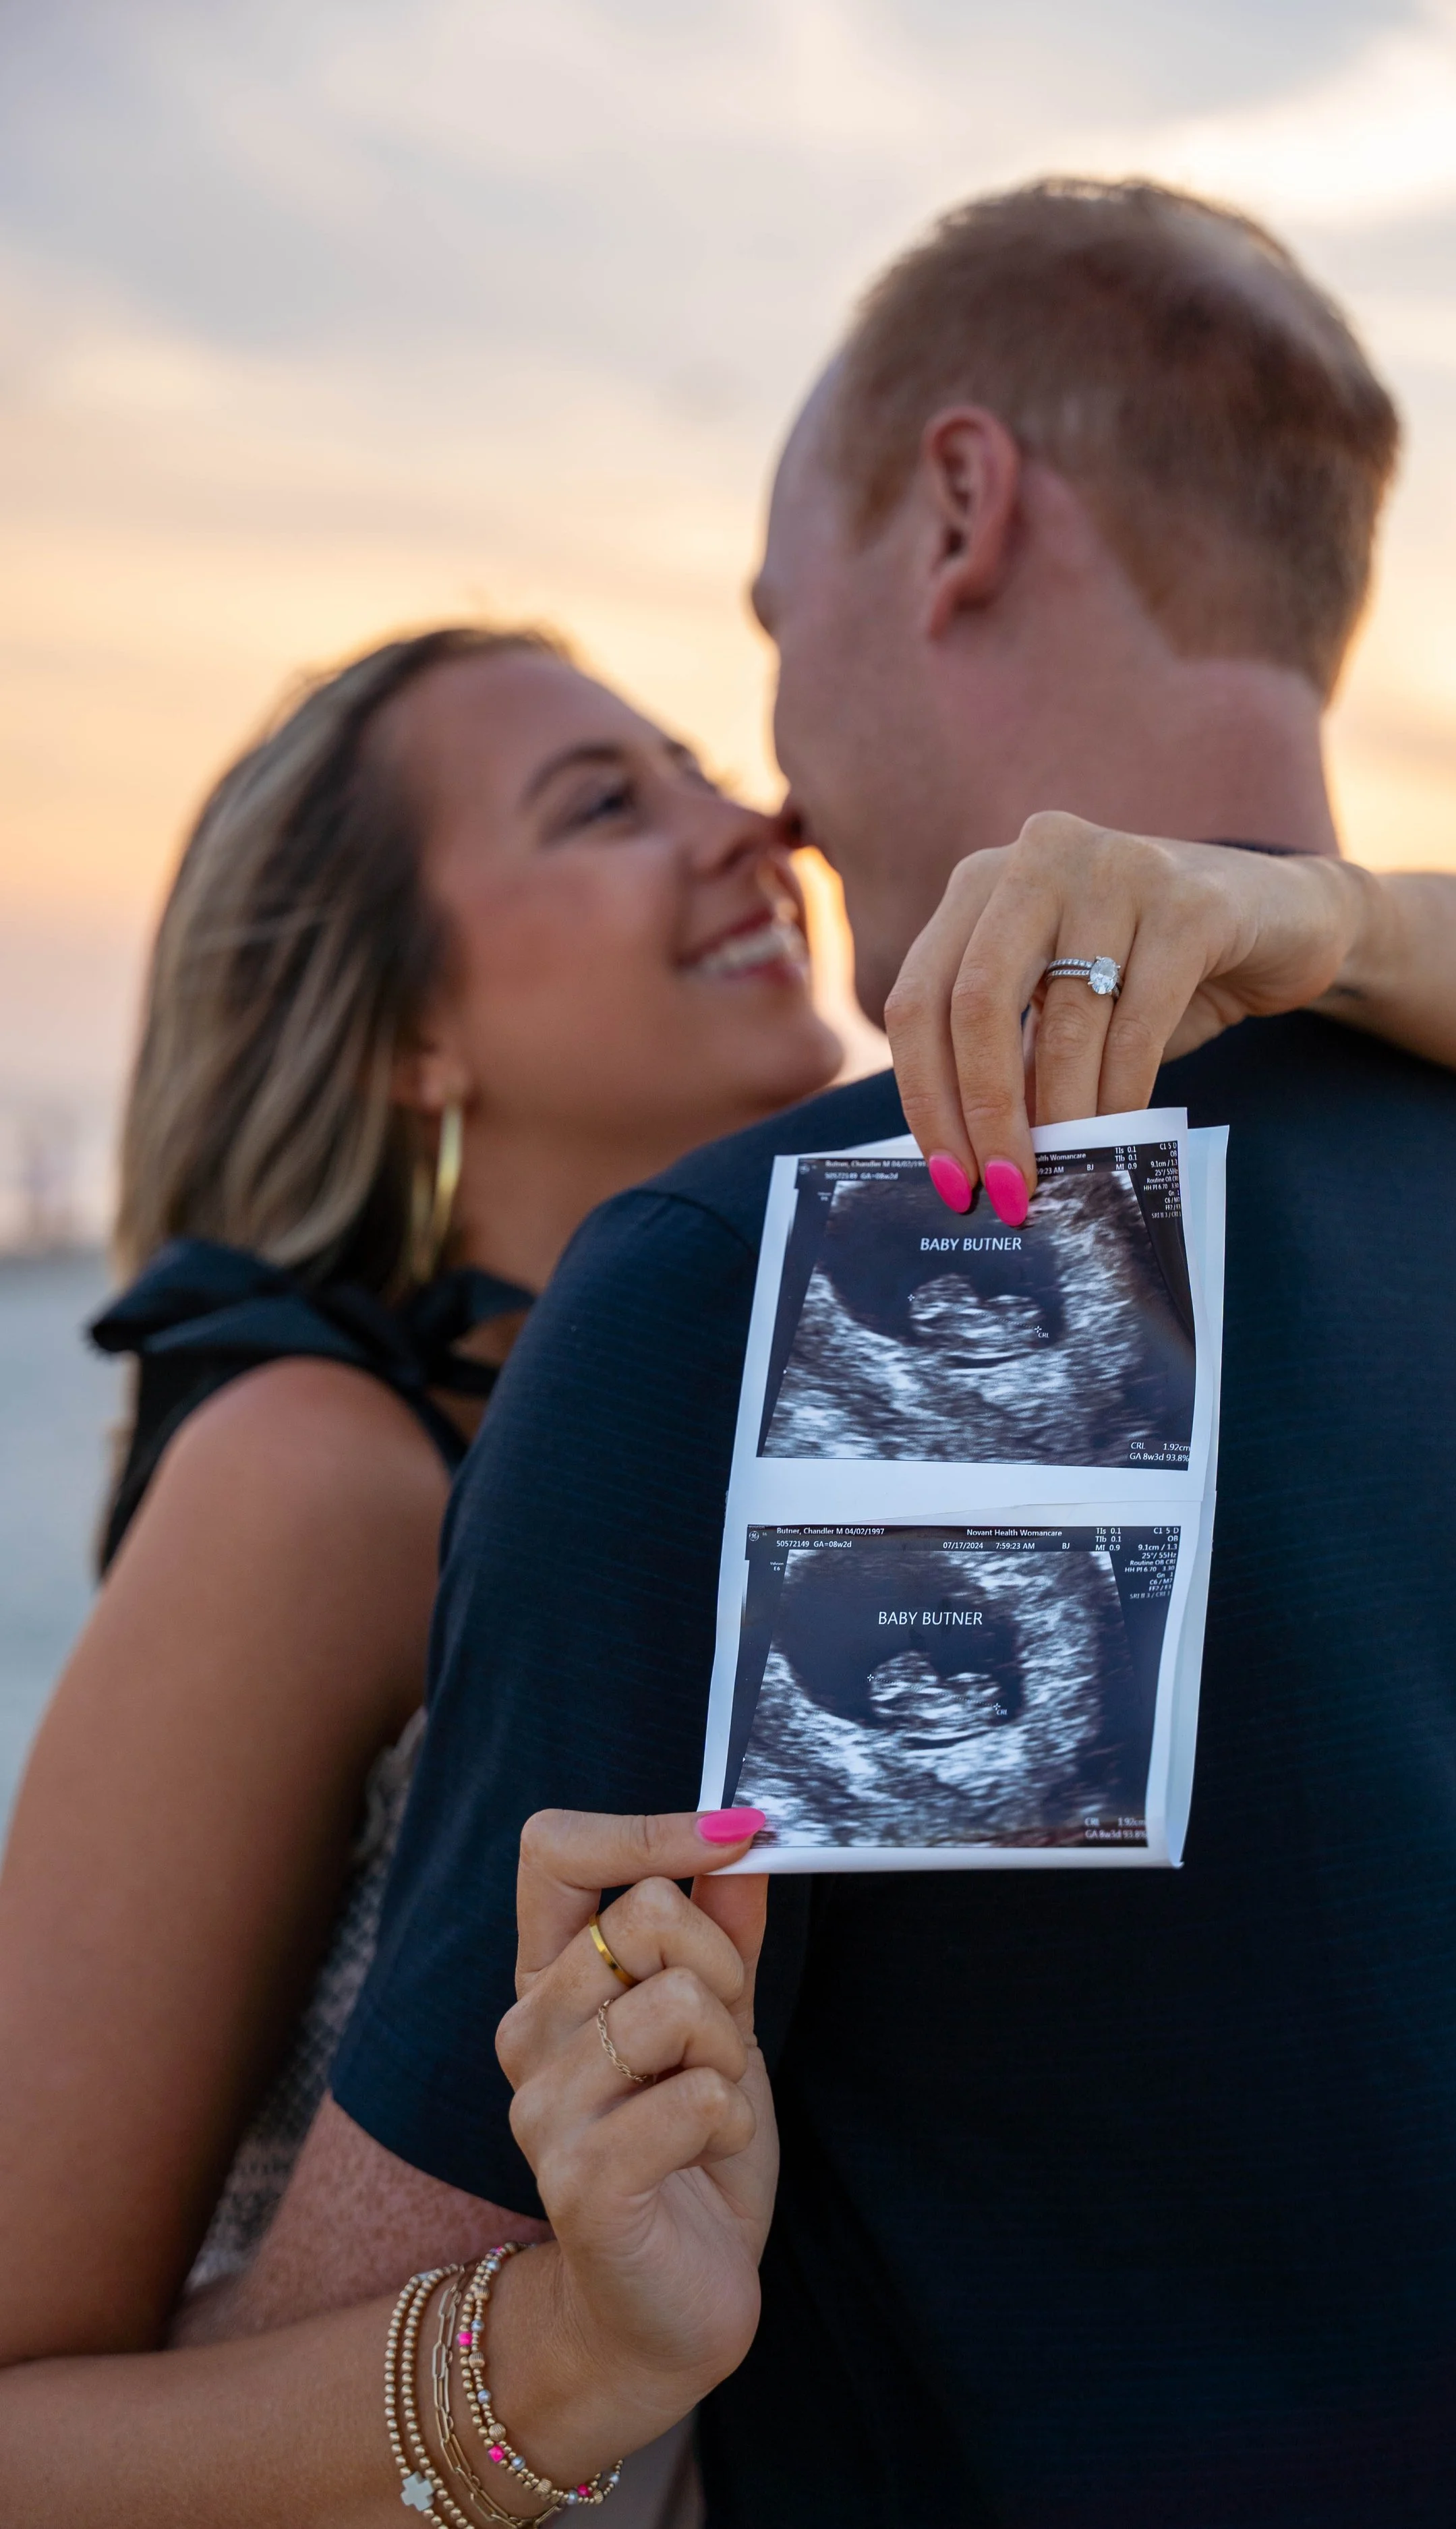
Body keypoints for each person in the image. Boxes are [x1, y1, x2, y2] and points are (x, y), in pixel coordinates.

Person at [3, 189, 1456, 2525]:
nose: (760, 808)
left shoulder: (910, 1263)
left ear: (966, 512)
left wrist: (567, 2360)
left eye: (765, 647)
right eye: (612, 796)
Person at [0, 621, 840, 2516]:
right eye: (606, 802)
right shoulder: (317, 1476)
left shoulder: (764, 1407)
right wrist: (557, 2359)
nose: (746, 826)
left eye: (701, 763)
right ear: (409, 1032)